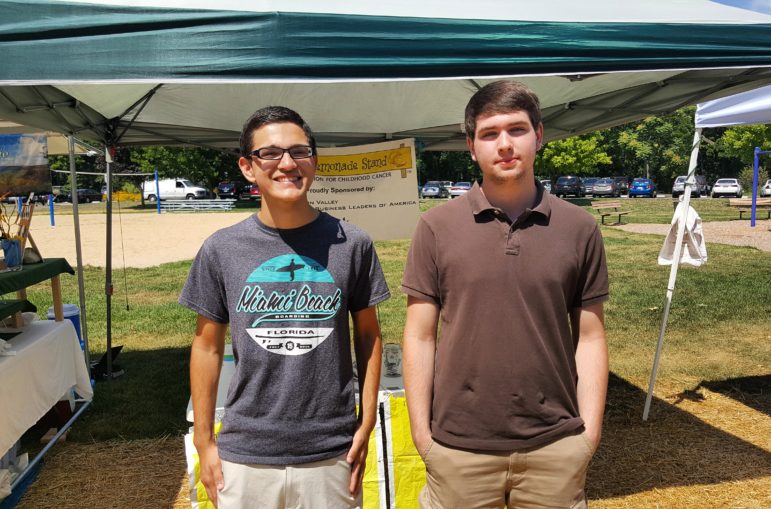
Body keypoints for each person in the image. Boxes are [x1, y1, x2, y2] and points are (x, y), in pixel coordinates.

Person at [402, 81, 609, 509]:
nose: (505, 144)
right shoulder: (436, 227)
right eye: (489, 133)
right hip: (458, 449)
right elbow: (419, 336)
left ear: (539, 135)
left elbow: (590, 338)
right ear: (471, 146)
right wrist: (422, 437)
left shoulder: (579, 228)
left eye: (516, 129)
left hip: (555, 446)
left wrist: (588, 437)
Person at [181, 106, 390, 508]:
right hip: (246, 453)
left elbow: (369, 335)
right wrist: (205, 442)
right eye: (270, 153)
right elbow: (206, 347)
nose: (288, 164)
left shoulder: (353, 244)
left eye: (300, 151)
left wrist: (365, 424)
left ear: (314, 161)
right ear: (247, 167)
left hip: (331, 451)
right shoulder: (222, 248)